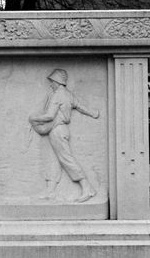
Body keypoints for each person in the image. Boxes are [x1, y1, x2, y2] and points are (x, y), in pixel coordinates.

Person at [29, 69, 99, 202]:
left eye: (52, 82)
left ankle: (87, 187)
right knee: (54, 160)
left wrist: (34, 118)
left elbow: (49, 116)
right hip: (60, 130)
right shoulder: (68, 94)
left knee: (66, 159)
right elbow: (81, 107)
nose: (51, 85)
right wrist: (93, 113)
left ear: (57, 82)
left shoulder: (58, 95)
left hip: (57, 130)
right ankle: (50, 191)